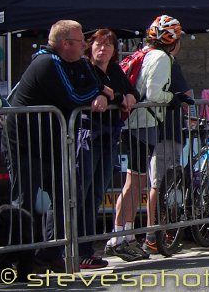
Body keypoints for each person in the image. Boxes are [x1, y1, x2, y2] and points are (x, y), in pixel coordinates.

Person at [7, 20, 106, 272]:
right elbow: (74, 96)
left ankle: (49, 253)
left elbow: (95, 80)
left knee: (65, 197)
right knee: (25, 202)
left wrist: (99, 89)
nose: (85, 46)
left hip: (52, 142)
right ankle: (21, 260)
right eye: (80, 42)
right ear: (65, 44)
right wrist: (98, 91)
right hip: (27, 143)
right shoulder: (47, 62)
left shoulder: (76, 62)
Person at [109, 15, 185, 257]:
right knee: (136, 182)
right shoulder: (162, 58)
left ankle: (123, 235)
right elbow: (153, 94)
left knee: (134, 181)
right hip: (144, 123)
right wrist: (172, 98)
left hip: (134, 122)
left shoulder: (144, 53)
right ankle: (121, 237)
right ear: (172, 41)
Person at [78, 29, 138, 269]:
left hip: (109, 136)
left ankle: (87, 250)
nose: (103, 49)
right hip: (88, 137)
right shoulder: (84, 67)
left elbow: (131, 91)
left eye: (108, 46)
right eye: (99, 45)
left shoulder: (113, 69)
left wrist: (129, 96)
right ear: (90, 46)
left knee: (95, 195)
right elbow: (90, 94)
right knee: (81, 195)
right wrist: (115, 96)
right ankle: (75, 250)